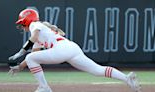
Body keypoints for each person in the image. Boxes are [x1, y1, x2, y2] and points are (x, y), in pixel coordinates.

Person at [8, 8, 141, 92]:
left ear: (27, 20)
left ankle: (44, 88)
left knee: (30, 58)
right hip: (71, 48)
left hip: (62, 49)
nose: (22, 26)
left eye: (22, 23)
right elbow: (35, 55)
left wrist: (22, 51)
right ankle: (127, 78)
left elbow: (33, 39)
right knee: (97, 70)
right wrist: (20, 67)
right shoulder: (40, 31)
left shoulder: (35, 24)